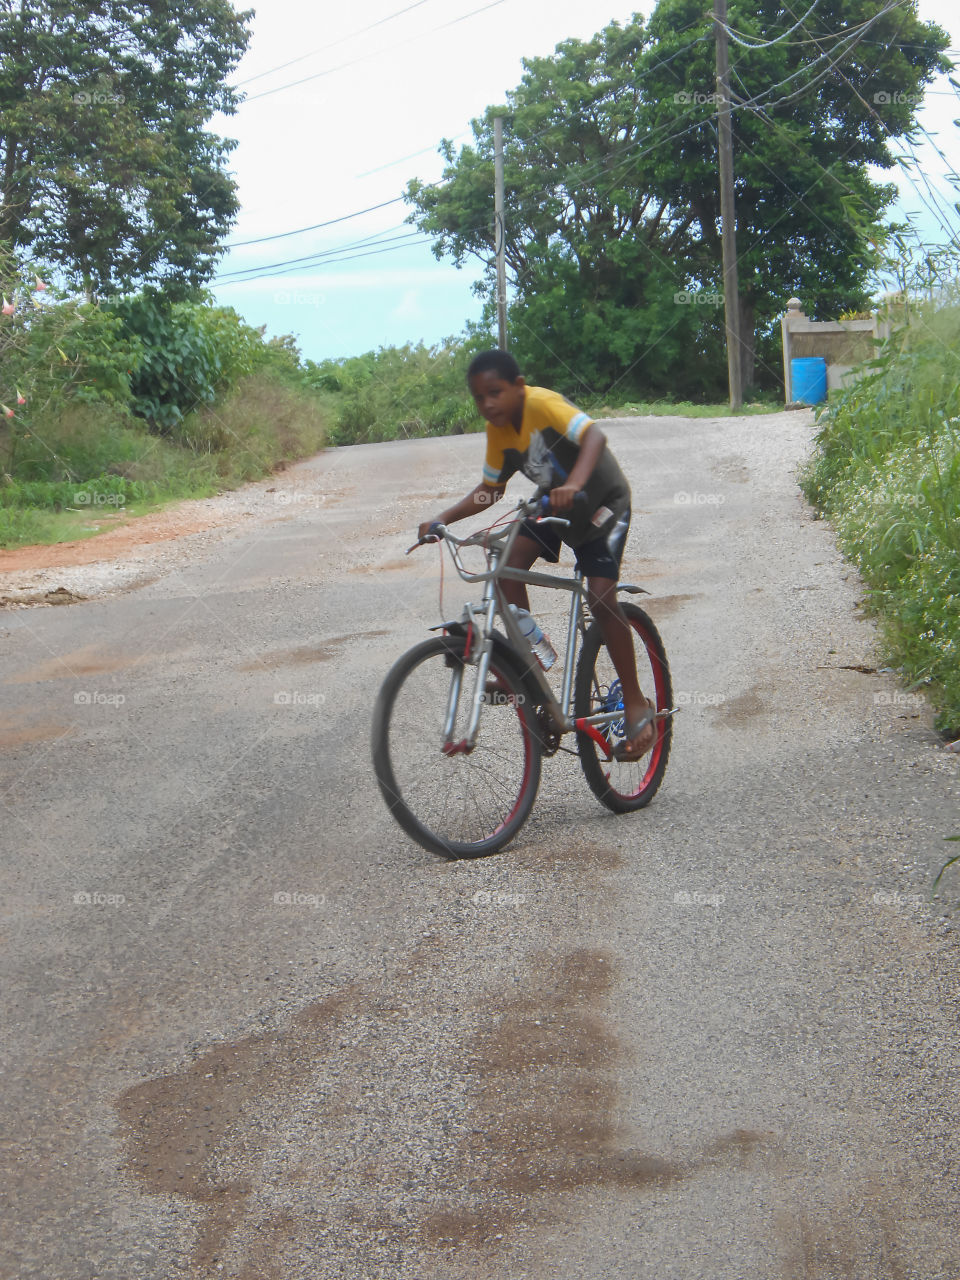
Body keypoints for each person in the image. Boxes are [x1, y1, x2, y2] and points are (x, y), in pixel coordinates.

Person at [417, 348, 656, 760]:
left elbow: (594, 436)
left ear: (519, 387)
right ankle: (531, 668)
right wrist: (444, 518)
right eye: (479, 397)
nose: (488, 404)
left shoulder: (543, 404)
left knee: (600, 596)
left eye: (495, 392)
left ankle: (636, 701)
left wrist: (575, 484)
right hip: (552, 508)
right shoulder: (499, 432)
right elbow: (491, 490)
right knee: (506, 567)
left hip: (603, 505)